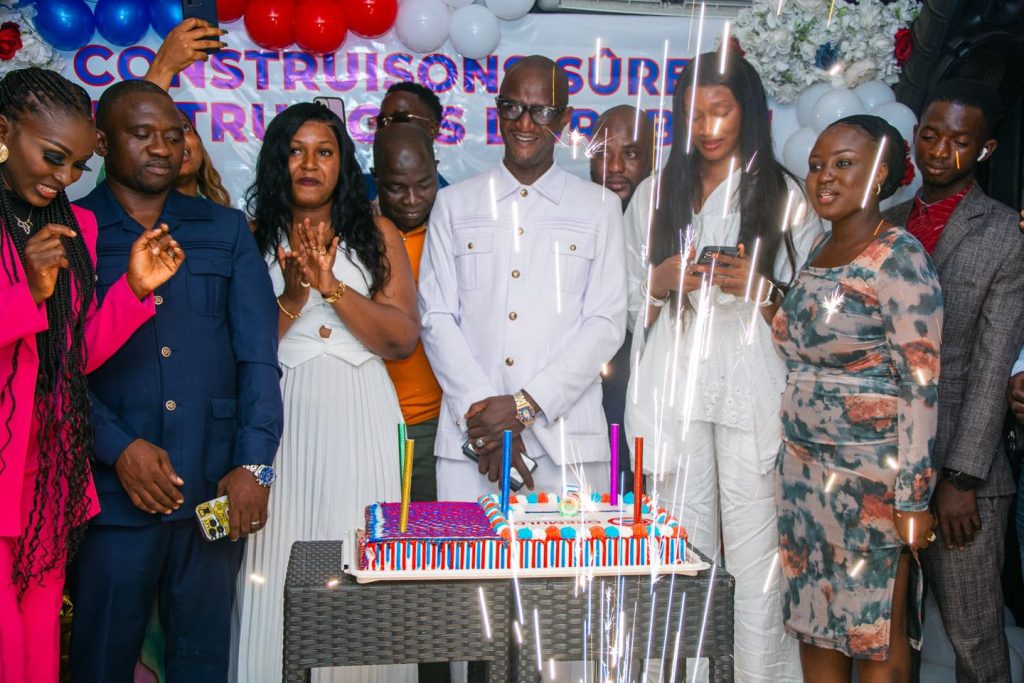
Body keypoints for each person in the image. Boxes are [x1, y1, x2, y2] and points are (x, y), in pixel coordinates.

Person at [68, 79, 283, 682]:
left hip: (213, 488)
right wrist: (118, 448)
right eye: (142, 134)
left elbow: (259, 359)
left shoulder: (225, 229)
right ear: (103, 143)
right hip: (111, 496)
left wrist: (255, 466)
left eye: (173, 133)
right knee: (101, 660)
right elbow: (54, 367)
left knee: (202, 660)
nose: (162, 147)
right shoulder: (72, 230)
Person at [623, 51, 820, 682]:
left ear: (748, 113)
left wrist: (761, 290)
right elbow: (620, 307)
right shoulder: (655, 194)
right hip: (673, 390)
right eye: (692, 113)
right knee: (678, 552)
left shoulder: (785, 194)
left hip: (751, 391)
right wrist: (658, 282)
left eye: (720, 110)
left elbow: (816, 318)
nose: (706, 127)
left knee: (759, 559)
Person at [0, 68, 180, 683]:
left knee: (39, 642)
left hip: (50, 467)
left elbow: (73, 358)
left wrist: (133, 290)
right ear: (3, 132)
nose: (65, 178)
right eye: (53, 157)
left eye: (78, 165)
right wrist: (26, 292)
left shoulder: (79, 227)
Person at [233, 102, 419, 683]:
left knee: (357, 551)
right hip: (279, 415)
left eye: (324, 151)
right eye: (295, 150)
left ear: (344, 163)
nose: (309, 164)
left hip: (361, 410)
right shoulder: (250, 237)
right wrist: (292, 298)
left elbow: (401, 340)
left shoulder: (377, 233)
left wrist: (331, 287)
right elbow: (240, 350)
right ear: (276, 160)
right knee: (277, 557)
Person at [772, 115, 941, 682]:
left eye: (844, 163)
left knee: (874, 637)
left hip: (871, 487)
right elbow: (809, 343)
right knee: (815, 625)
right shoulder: (821, 246)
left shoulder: (899, 256)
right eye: (817, 165)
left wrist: (913, 499)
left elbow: (920, 384)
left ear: (881, 174)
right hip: (803, 480)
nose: (824, 176)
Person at [419, 54, 625, 501]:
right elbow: (436, 318)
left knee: (574, 553)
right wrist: (486, 418)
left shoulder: (599, 208)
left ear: (565, 119)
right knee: (467, 551)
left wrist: (524, 407)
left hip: (568, 447)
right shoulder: (454, 204)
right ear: (498, 111)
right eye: (512, 107)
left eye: (542, 111)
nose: (525, 123)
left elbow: (606, 324)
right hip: (471, 446)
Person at [882, 78, 1024, 682]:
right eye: (930, 135)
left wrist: (961, 478)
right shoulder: (884, 222)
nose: (940, 150)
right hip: (883, 467)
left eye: (959, 141)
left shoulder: (1004, 233)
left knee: (973, 638)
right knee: (888, 636)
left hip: (962, 480)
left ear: (986, 149)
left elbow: (994, 364)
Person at [374, 123, 442, 504]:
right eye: (396, 188)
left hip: (436, 426)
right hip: (370, 421)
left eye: (425, 184)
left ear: (436, 169)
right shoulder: (358, 236)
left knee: (433, 534)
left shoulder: (451, 234)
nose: (412, 199)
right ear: (375, 179)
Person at [366, 81, 450, 202]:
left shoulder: (451, 203)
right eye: (381, 121)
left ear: (432, 129)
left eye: (400, 119)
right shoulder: (354, 192)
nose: (387, 128)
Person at [589, 104, 654, 209]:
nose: (615, 167)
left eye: (630, 154)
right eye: (604, 153)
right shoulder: (570, 215)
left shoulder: (671, 215)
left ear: (652, 159)